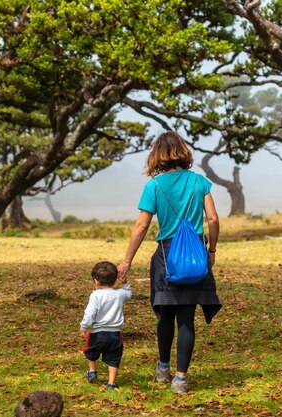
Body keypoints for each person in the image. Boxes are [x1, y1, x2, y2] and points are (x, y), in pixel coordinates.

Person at [117, 131, 221, 394]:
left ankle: (163, 368)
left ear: (157, 156)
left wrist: (126, 261)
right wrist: (212, 251)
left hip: (166, 256)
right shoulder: (200, 182)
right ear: (183, 152)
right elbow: (213, 220)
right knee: (186, 319)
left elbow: (142, 225)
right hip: (195, 256)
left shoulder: (154, 186)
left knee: (165, 316)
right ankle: (181, 378)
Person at [80, 260, 132, 390]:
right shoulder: (119, 294)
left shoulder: (95, 295)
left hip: (97, 333)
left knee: (90, 351)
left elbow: (90, 313)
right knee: (114, 358)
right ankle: (111, 383)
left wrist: (84, 326)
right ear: (115, 280)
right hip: (115, 334)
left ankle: (92, 372)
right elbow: (129, 294)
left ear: (96, 281)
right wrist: (125, 282)